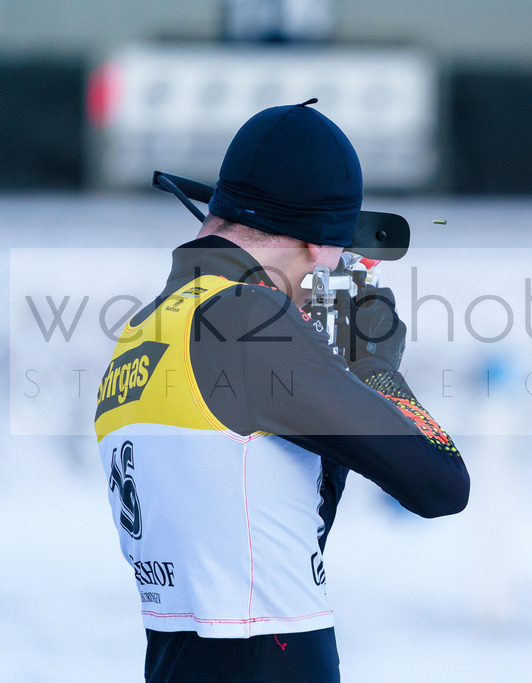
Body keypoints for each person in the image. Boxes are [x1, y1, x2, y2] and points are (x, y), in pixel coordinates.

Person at [94, 100, 469, 682]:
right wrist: (372, 365)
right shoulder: (243, 321)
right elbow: (440, 483)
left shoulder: (144, 329)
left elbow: (283, 526)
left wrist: (325, 366)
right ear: (320, 246)